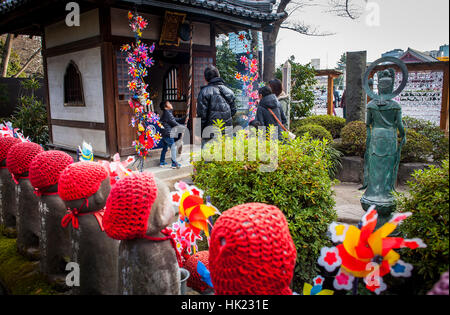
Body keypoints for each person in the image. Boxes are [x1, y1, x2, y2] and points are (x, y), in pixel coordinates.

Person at [196, 65, 236, 145]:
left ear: (206, 78)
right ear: (218, 75)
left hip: (210, 133)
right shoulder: (229, 91)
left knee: (208, 156)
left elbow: (201, 115)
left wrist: (199, 133)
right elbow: (233, 111)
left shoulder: (204, 92)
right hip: (226, 132)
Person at [159, 100, 185, 169]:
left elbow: (175, 119)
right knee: (173, 148)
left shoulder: (167, 113)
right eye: (169, 103)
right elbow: (174, 123)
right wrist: (183, 127)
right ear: (166, 107)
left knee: (164, 148)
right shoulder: (167, 113)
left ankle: (162, 162)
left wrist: (184, 118)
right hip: (168, 133)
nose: (171, 104)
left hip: (164, 134)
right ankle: (174, 163)